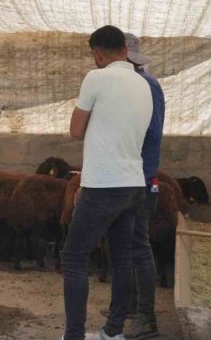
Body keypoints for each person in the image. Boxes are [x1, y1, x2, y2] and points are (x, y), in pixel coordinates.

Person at [61, 25, 153, 340]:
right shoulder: (144, 85)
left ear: (97, 55)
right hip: (133, 184)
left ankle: (74, 335)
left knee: (74, 257)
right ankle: (113, 332)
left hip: (102, 185)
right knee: (122, 257)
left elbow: (75, 130)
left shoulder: (96, 78)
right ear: (126, 50)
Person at [122, 34, 165, 340]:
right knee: (125, 243)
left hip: (140, 176)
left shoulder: (146, 86)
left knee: (138, 245)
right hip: (128, 175)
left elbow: (146, 132)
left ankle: (146, 318)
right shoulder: (132, 85)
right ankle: (132, 305)